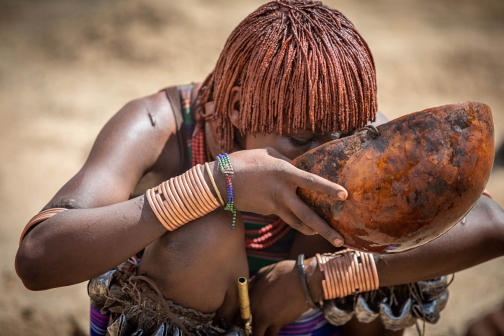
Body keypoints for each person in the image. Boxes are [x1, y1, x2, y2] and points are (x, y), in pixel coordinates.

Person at [14, 1, 504, 335]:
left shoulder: (339, 128)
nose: (327, 156)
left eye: (346, 133)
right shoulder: (158, 129)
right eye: (302, 139)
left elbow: (487, 223)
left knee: (375, 211)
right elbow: (38, 257)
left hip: (298, 313)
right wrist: (215, 183)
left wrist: (318, 279)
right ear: (235, 108)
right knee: (205, 229)